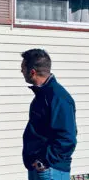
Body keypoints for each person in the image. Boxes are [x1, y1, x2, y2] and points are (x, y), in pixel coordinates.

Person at [21, 49, 77, 180]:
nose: (21, 71)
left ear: (32, 72)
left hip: (50, 171)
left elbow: (68, 138)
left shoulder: (58, 97)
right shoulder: (43, 95)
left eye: (23, 68)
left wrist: (44, 162)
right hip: (40, 169)